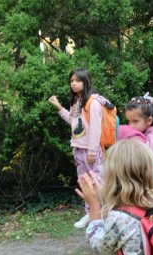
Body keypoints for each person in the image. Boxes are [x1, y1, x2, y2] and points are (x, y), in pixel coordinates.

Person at [49, 68, 107, 229]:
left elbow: (96, 129)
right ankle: (91, 214)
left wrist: (92, 151)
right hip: (78, 149)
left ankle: (104, 213)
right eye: (71, 81)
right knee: (85, 183)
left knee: (97, 182)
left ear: (85, 82)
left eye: (77, 80)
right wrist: (59, 107)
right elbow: (74, 123)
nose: (73, 84)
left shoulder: (93, 102)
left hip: (91, 151)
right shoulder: (76, 101)